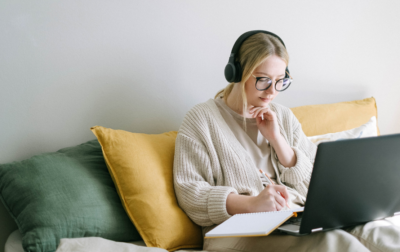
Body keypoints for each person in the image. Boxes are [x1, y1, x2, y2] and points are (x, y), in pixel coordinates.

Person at [173, 30, 400, 252]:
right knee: (336, 243)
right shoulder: (201, 119)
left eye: (280, 81)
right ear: (237, 73)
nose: (272, 91)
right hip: (233, 232)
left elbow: (316, 185)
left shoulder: (282, 116)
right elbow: (190, 193)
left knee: (381, 234)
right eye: (263, 80)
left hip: (294, 218)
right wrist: (251, 204)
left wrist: (278, 140)